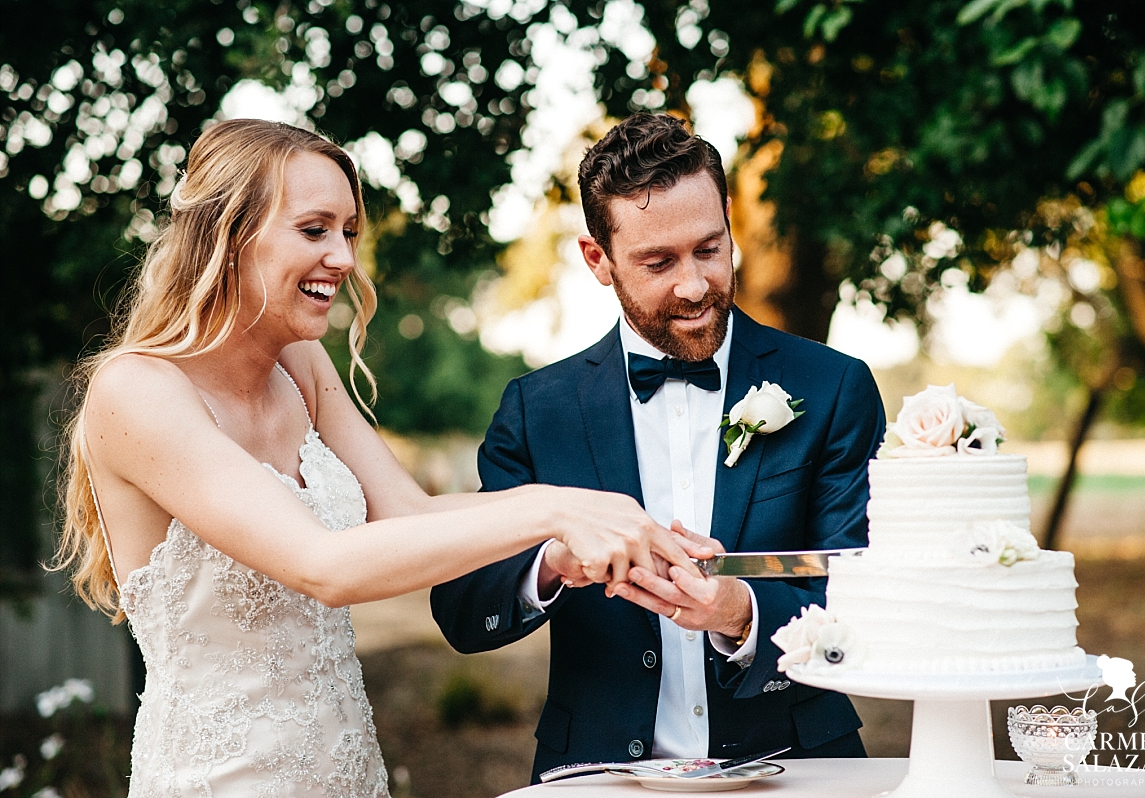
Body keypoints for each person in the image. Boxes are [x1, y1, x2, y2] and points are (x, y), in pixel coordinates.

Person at [53, 118, 707, 797]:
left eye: (348, 233)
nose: (343, 258)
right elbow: (323, 565)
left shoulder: (301, 365)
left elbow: (408, 512)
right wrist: (557, 504)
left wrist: (564, 543)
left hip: (347, 771)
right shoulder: (136, 391)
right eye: (314, 230)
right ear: (227, 234)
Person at [430, 113, 887, 779]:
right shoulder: (537, 411)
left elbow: (868, 586)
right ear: (598, 259)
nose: (696, 285)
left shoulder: (833, 388)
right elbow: (465, 609)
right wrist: (553, 560)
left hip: (801, 766)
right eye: (658, 262)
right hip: (596, 774)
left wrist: (741, 611)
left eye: (709, 248)